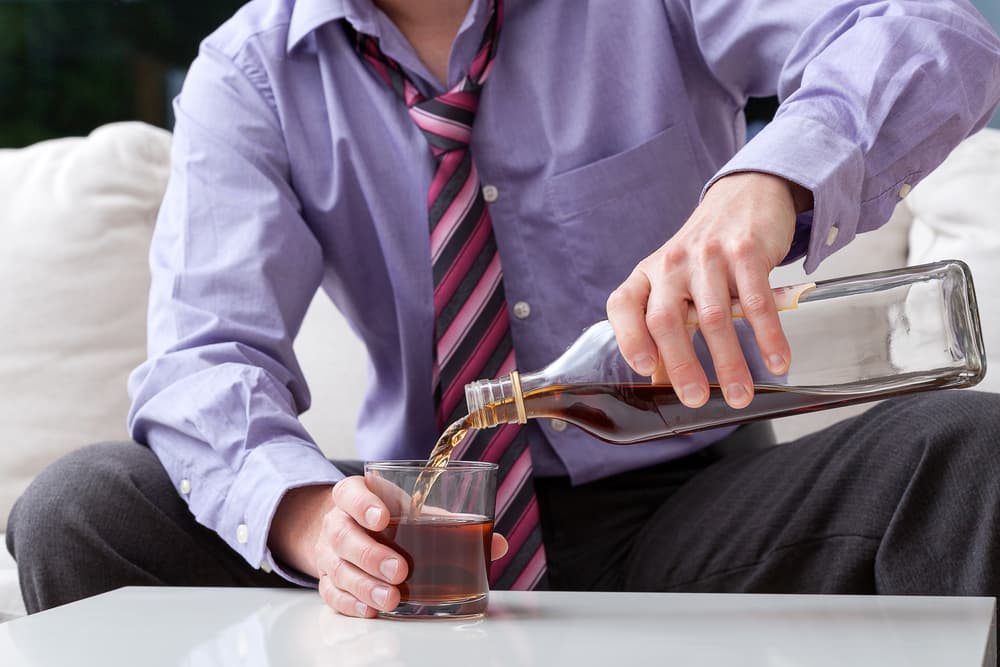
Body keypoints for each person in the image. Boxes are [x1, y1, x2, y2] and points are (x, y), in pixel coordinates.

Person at [8, 0, 1000, 620]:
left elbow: (930, 24)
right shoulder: (252, 73)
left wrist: (770, 180)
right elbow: (202, 358)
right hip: (419, 531)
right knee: (83, 506)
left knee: (969, 452)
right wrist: (307, 517)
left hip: (692, 504)